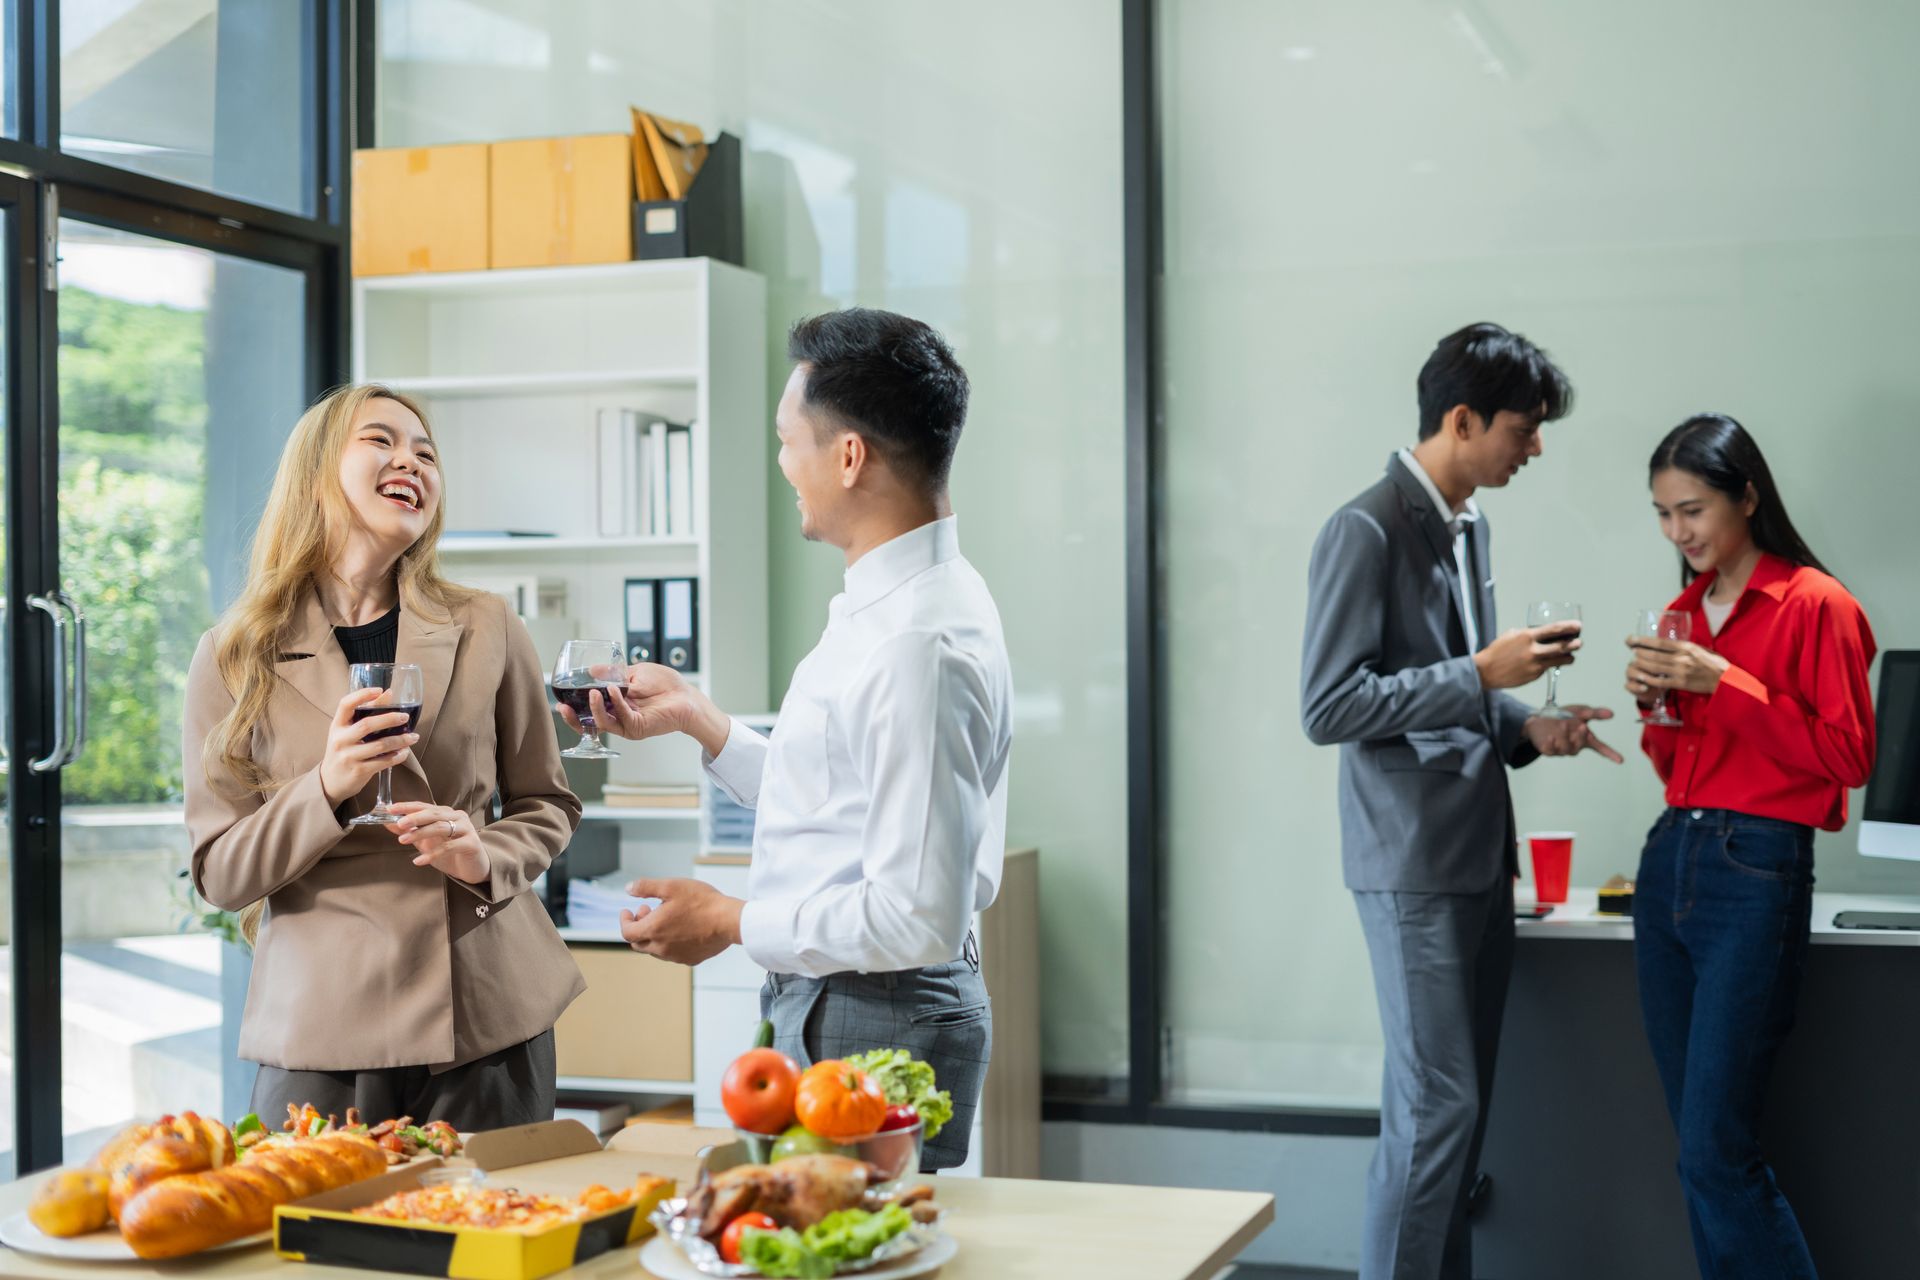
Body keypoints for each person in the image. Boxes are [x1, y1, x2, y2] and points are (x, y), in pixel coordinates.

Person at [571, 308, 1011, 1170]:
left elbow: (916, 914)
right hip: (845, 999)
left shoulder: (915, 643)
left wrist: (733, 920)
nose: (782, 465)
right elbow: (842, 799)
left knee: (844, 1255)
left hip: (877, 1009)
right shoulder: (897, 605)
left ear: (848, 457)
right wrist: (700, 720)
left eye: (787, 440)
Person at [1300, 322, 1621, 1280]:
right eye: (1524, 428)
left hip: (1476, 854)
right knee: (1437, 1109)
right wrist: (1481, 669)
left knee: (1460, 1112)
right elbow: (1329, 705)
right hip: (1411, 863)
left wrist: (1525, 723)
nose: (1535, 447)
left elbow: (1457, 690)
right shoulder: (1364, 528)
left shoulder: (1467, 522)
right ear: (1462, 418)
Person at [185, 383, 583, 1128]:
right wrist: (328, 787)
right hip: (321, 1022)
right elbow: (220, 873)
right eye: (383, 441)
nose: (412, 461)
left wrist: (483, 855)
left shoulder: (488, 625)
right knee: (319, 1238)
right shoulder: (233, 656)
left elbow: (548, 803)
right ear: (315, 473)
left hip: (485, 1009)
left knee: (488, 1235)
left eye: (426, 452)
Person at [1623, 413, 1875, 1278]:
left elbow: (1848, 755)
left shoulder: (1816, 603)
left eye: (1692, 509)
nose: (1678, 532)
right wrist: (1657, 705)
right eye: (1662, 514)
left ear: (1747, 497)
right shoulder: (1682, 612)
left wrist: (1722, 684)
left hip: (1754, 865)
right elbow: (1677, 766)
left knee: (1715, 1153)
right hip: (1671, 863)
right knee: (1695, 1151)